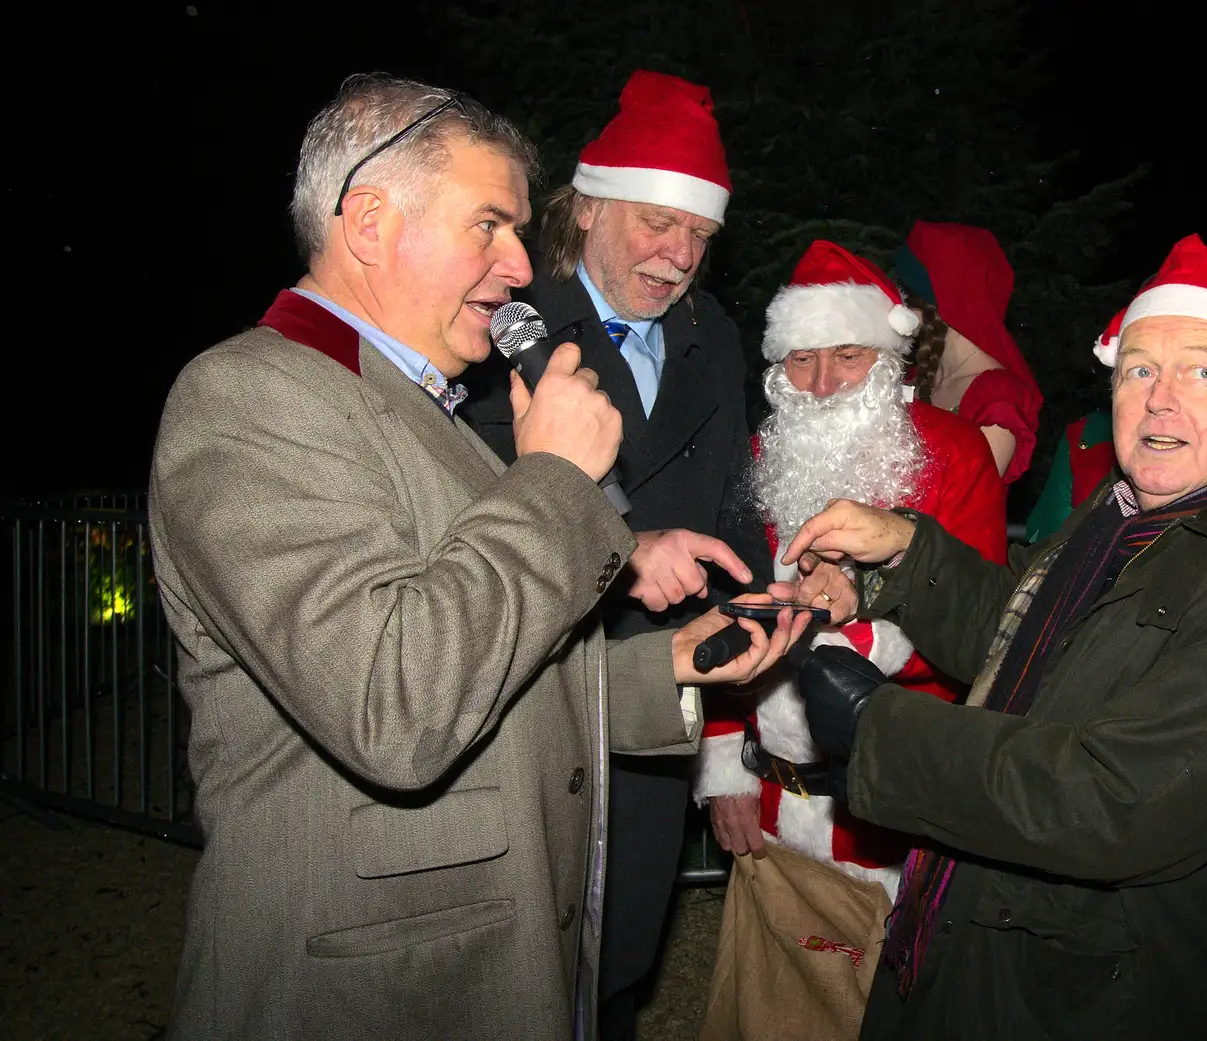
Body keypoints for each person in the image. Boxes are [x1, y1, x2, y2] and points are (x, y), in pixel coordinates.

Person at [147, 74, 804, 1041]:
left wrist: (665, 667)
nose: (516, 265)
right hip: (362, 988)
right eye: (489, 226)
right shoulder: (249, 397)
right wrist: (557, 485)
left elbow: (494, 666)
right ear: (368, 223)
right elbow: (395, 701)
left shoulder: (423, 408)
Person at [782, 234, 1207, 1040]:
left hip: (1106, 995)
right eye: (1139, 370)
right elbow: (1033, 637)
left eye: (1201, 370)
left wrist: (875, 727)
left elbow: (1109, 801)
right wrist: (900, 556)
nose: (1160, 399)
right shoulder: (1132, 512)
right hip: (1002, 950)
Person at [456, 71, 769, 1040]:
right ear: (586, 207)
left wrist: (761, 591)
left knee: (622, 947)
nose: (679, 258)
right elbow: (466, 492)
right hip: (534, 680)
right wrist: (620, 545)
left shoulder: (713, 337)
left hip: (659, 694)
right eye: (654, 226)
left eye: (699, 238)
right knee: (522, 960)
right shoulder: (505, 322)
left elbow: (730, 492)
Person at [694, 241, 1007, 1040]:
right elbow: (732, 607)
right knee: (774, 1007)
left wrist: (862, 630)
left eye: (848, 354)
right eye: (801, 359)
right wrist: (723, 759)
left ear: (889, 355)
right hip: (773, 796)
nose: (825, 382)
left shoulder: (954, 452)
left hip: (897, 809)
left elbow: (983, 638)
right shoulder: (762, 453)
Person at [893, 221, 1043, 485]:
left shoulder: (997, 400)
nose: (893, 304)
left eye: (901, 292)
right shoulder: (914, 377)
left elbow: (963, 511)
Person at [1022, 408, 1115, 542]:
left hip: (1052, 543)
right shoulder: (1100, 429)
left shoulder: (1095, 425)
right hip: (1066, 548)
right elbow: (1095, 516)